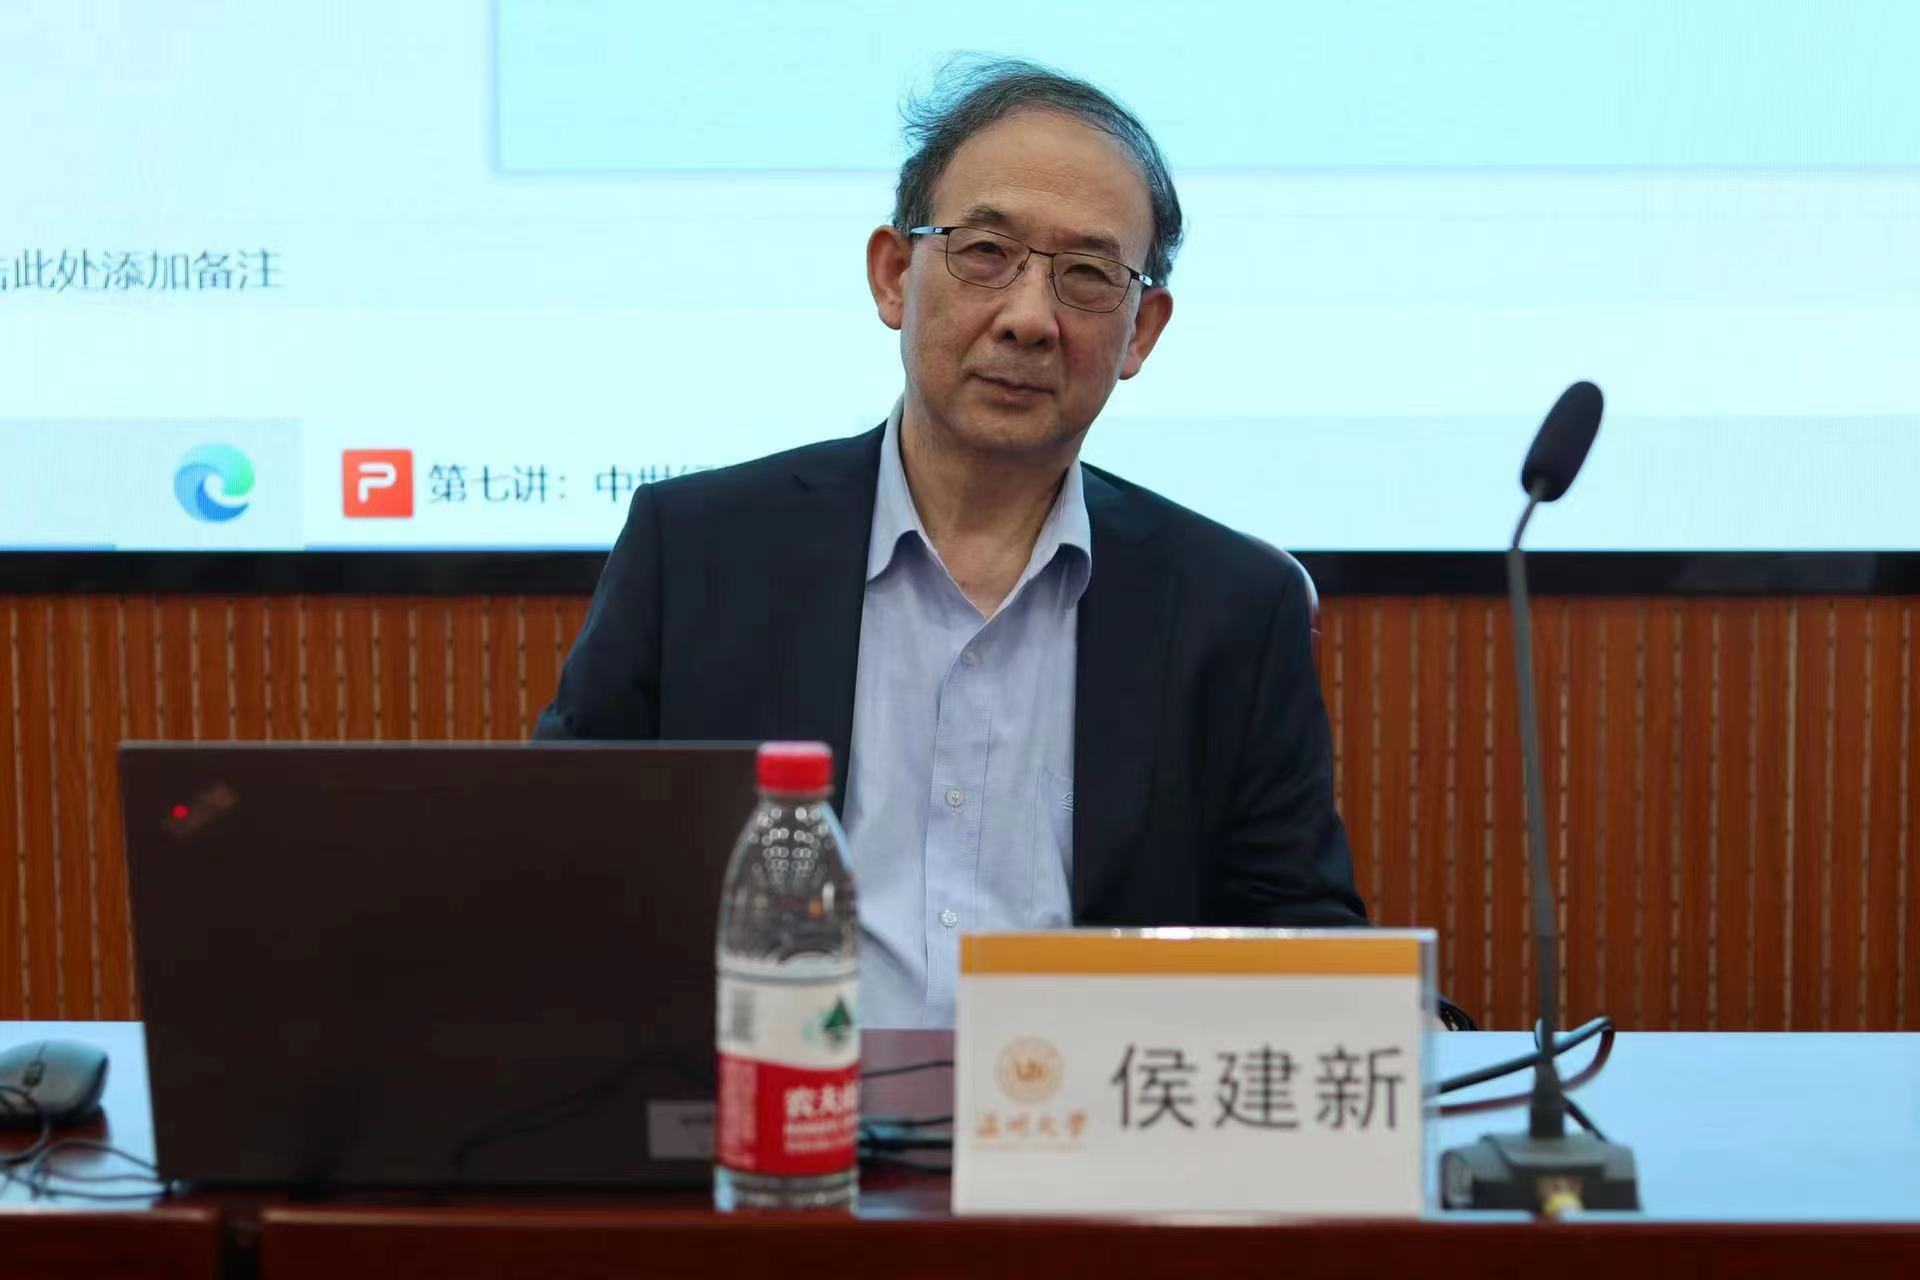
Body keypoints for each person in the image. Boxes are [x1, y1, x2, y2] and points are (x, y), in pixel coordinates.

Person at [536, 58, 1367, 1028]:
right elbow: (561, 875)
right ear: (895, 275)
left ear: (1142, 331)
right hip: (772, 1102)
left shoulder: (1235, 606)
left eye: (1087, 276)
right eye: (984, 252)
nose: (1029, 319)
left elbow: (1300, 935)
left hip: (1090, 1113)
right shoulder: (698, 552)